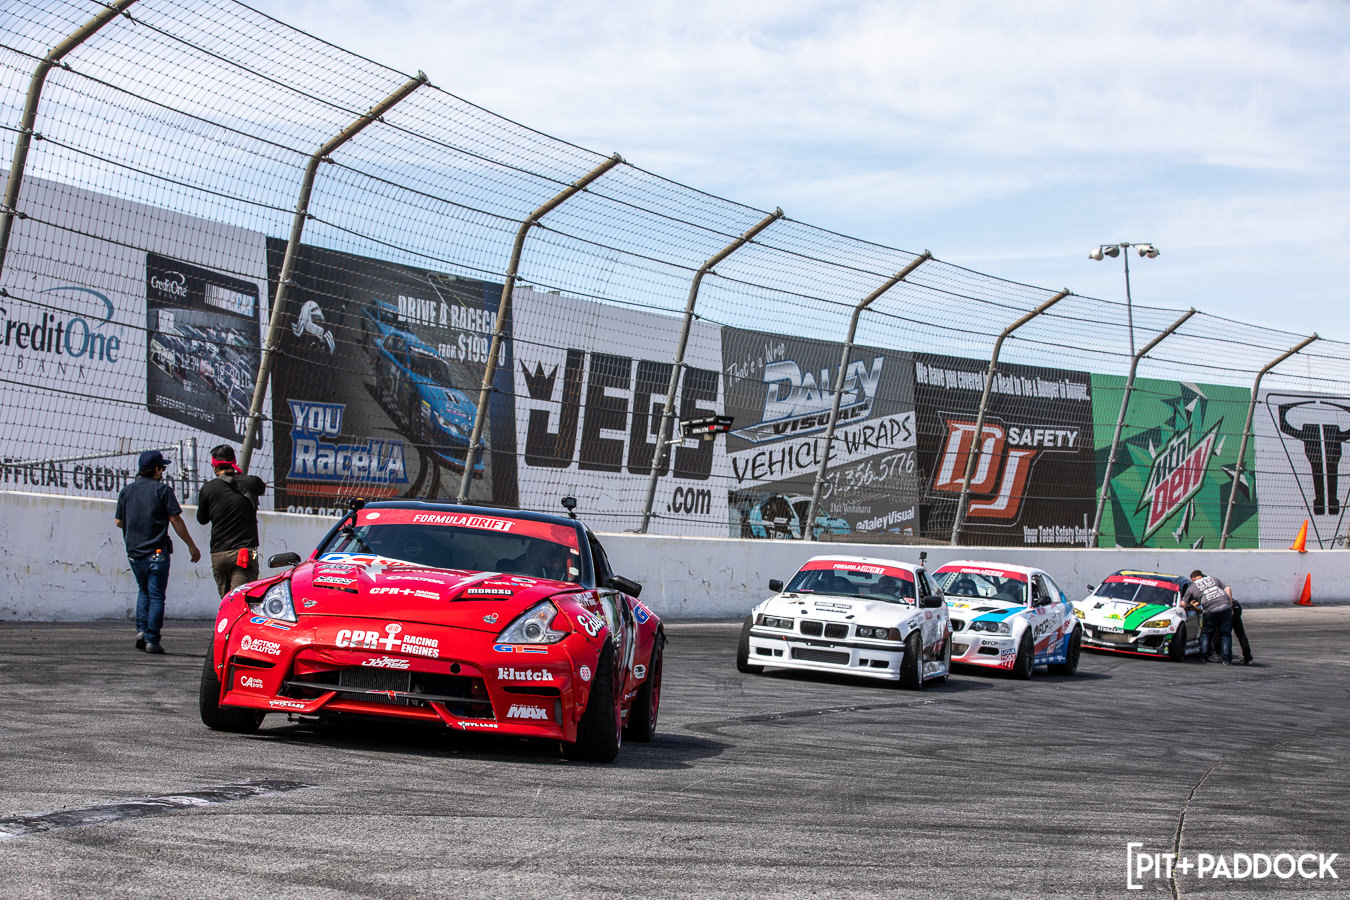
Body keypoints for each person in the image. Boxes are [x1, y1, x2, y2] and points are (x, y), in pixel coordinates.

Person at [114, 449, 201, 654]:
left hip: (134, 553)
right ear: (156, 469)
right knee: (156, 596)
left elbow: (118, 522)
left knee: (143, 591)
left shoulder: (126, 491)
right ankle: (152, 639)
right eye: (162, 467)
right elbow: (175, 519)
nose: (163, 471)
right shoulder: (162, 490)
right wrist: (191, 544)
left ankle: (141, 631)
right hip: (157, 552)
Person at [195, 444, 267, 598]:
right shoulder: (251, 483)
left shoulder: (208, 488)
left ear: (214, 466)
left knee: (227, 601)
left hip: (218, 554)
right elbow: (261, 487)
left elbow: (202, 519)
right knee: (241, 600)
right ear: (233, 462)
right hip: (245, 553)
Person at [1183, 569, 1234, 665]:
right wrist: (1230, 606)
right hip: (1225, 606)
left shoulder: (1192, 587)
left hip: (1210, 609)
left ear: (1192, 579)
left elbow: (1183, 603)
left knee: (1206, 634)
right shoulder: (1213, 579)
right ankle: (1227, 660)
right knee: (1225, 634)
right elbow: (1228, 589)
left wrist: (1190, 607)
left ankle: (1204, 657)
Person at [1230, 597, 1254, 665]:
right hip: (1235, 605)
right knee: (1240, 634)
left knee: (1224, 634)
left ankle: (1224, 656)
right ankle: (1248, 657)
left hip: (1227, 606)